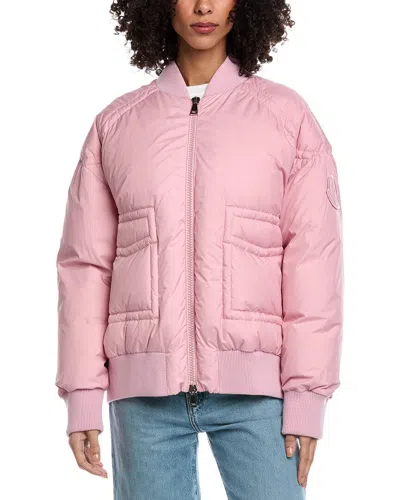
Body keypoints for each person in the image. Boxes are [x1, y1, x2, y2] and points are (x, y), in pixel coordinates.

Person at [55, 1, 344, 498]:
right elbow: (85, 267)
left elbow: (314, 261)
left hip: (260, 396)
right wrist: (82, 392)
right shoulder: (117, 124)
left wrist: (306, 396)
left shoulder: (286, 117)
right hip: (143, 397)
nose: (204, 6)